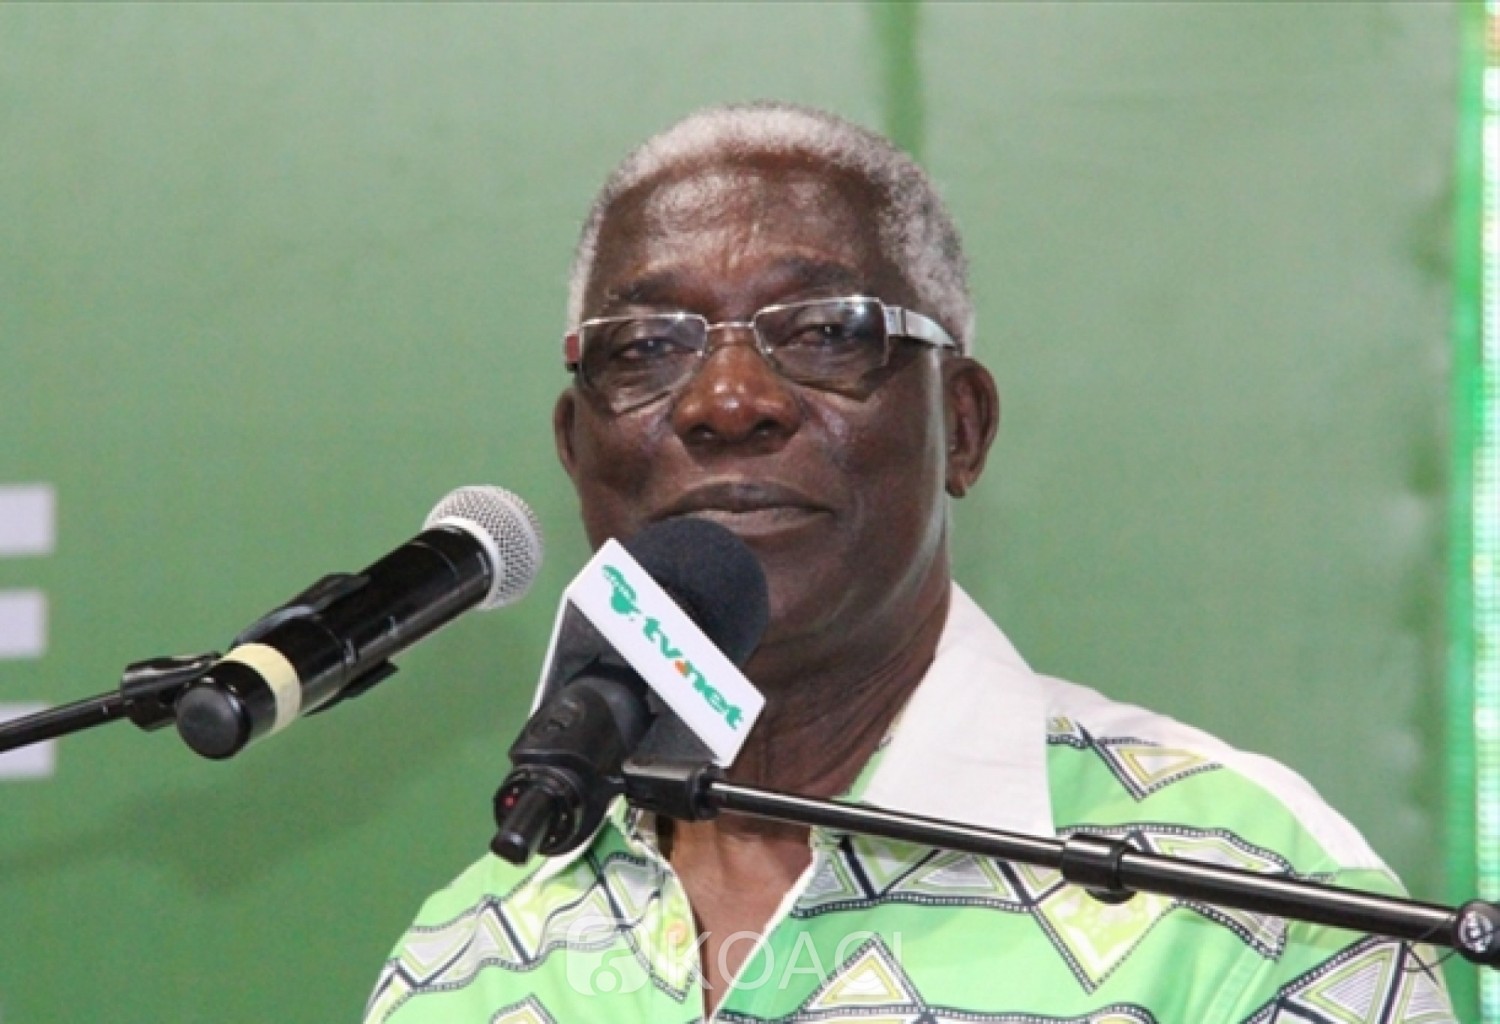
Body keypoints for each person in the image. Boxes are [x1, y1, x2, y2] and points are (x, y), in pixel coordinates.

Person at [364, 102, 1456, 1024]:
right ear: (577, 452)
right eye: (648, 347)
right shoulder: (465, 958)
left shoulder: (1253, 904)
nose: (728, 401)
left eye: (825, 333)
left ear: (962, 428)